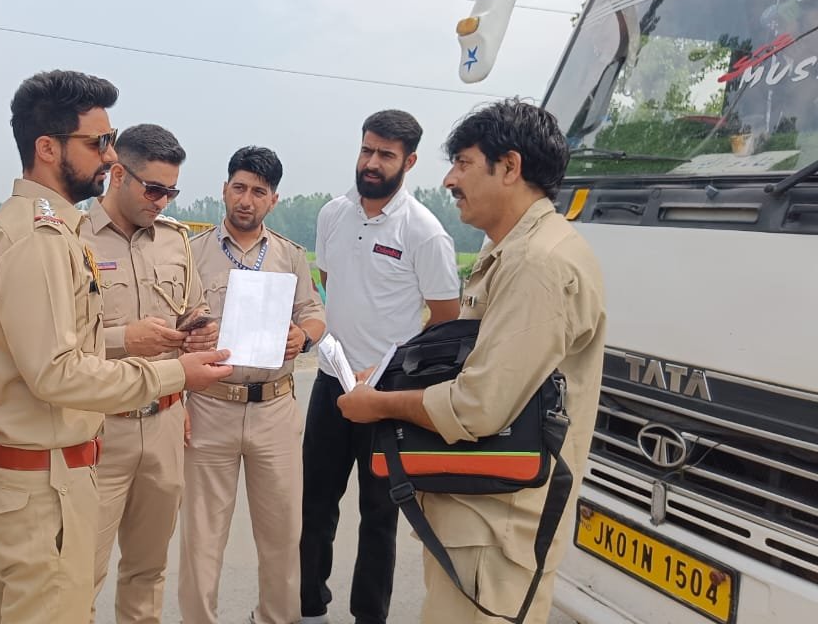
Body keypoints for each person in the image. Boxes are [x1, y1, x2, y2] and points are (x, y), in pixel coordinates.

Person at [0, 70, 232, 624]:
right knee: (62, 604)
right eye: (97, 143)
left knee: (127, 576)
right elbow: (58, 372)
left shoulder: (52, 231)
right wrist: (176, 372)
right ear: (47, 148)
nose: (109, 156)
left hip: (63, 466)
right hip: (48, 477)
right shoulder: (39, 239)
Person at [337, 99, 606, 624]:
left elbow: (478, 405)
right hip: (480, 516)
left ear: (509, 167)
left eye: (463, 163)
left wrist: (380, 404)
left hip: (498, 531)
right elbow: (469, 358)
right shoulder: (510, 249)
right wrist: (390, 377)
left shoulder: (538, 263)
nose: (450, 179)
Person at [300, 110, 461, 624]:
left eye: (386, 155)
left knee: (379, 515)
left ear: (409, 162)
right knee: (315, 506)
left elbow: (445, 319)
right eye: (367, 149)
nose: (372, 162)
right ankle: (310, 608)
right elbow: (331, 284)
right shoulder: (333, 214)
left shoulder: (425, 232)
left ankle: (368, 616)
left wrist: (391, 370)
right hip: (331, 384)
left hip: (387, 396)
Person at [179, 145, 326, 624]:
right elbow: (169, 322)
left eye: (258, 192)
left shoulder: (290, 255)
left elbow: (315, 313)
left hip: (274, 411)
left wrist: (303, 336)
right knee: (202, 538)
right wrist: (185, 341)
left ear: (273, 199)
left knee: (282, 535)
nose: (246, 200)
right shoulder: (190, 253)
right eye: (239, 188)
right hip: (209, 406)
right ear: (224, 189)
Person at [80, 123, 218, 624]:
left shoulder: (175, 241)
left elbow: (192, 308)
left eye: (171, 192)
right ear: (118, 174)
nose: (162, 202)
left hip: (164, 425)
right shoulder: (72, 239)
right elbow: (56, 346)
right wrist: (124, 339)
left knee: (147, 570)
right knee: (80, 574)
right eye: (154, 189)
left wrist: (200, 329)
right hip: (99, 427)